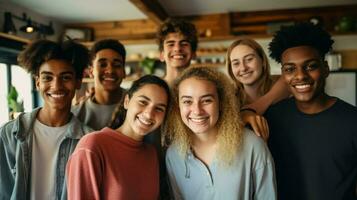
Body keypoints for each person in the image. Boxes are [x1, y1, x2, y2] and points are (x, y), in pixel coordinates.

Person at [265, 22, 357, 199]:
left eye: (310, 66)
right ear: (283, 76)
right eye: (290, 69)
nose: (300, 75)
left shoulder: (353, 120)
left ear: (326, 69)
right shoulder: (272, 119)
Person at [163, 67, 276, 199]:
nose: (197, 110)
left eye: (206, 100)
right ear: (178, 106)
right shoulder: (174, 154)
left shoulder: (252, 145)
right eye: (187, 101)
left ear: (221, 103)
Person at [0, 39, 92, 200]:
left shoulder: (89, 140)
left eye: (65, 77)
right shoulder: (9, 134)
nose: (56, 86)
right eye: (47, 78)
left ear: (78, 82)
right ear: (37, 83)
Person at [66, 75, 171, 200]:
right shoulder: (92, 146)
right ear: (127, 101)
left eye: (159, 108)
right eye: (143, 102)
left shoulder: (151, 154)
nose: (149, 114)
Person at [72, 39, 126, 130]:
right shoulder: (77, 114)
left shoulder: (137, 105)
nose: (110, 70)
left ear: (124, 72)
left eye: (117, 65)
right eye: (103, 65)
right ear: (91, 71)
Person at [157, 18, 198, 85]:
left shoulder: (201, 88)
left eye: (184, 44)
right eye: (171, 44)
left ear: (194, 54)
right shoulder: (154, 89)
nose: (177, 48)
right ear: (161, 55)